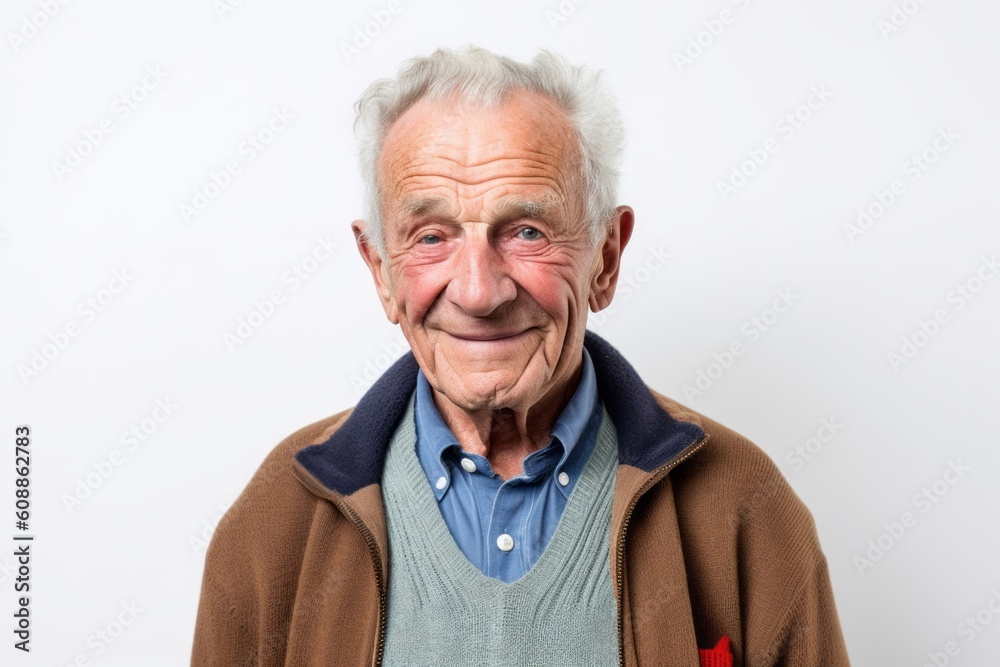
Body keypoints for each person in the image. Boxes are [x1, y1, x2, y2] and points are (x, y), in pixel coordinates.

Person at [191, 45, 850, 666]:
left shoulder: (744, 505)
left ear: (606, 258)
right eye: (430, 236)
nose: (479, 292)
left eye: (527, 230)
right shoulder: (279, 517)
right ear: (381, 271)